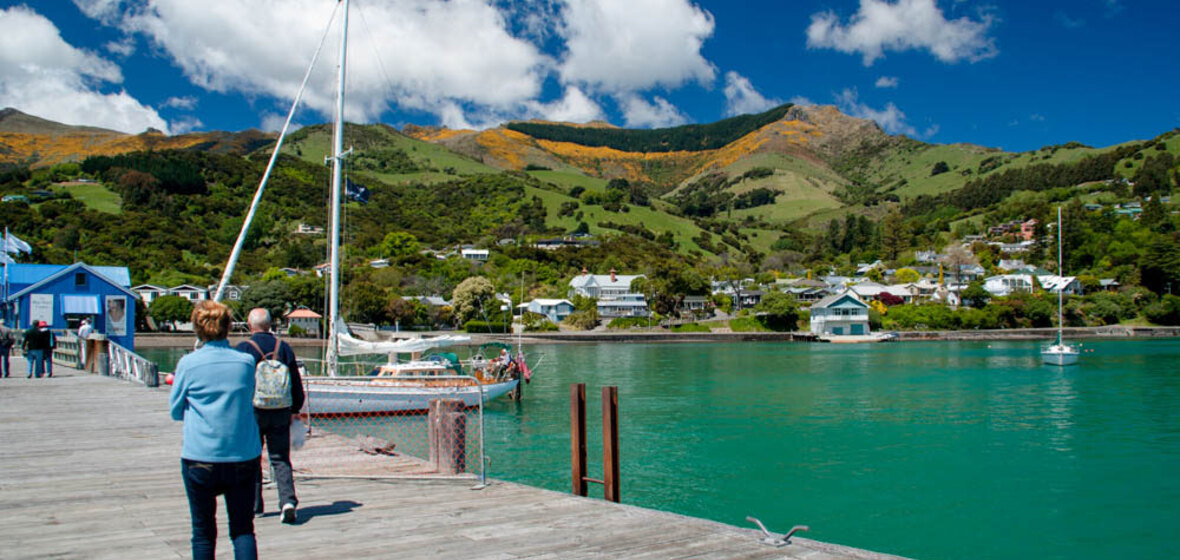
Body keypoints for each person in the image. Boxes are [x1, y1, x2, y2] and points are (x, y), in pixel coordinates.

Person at [169, 301, 261, 560]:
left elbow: (175, 410)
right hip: (242, 455)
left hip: (200, 457)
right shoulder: (245, 362)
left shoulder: (188, 364)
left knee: (203, 532)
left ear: (197, 328)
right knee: (243, 529)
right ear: (229, 326)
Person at [236, 308, 304, 524]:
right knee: (280, 458)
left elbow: (239, 382)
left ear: (250, 325)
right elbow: (295, 380)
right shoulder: (283, 348)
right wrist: (295, 408)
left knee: (252, 458)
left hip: (253, 411)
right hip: (281, 410)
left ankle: (255, 506)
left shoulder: (245, 348)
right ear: (270, 324)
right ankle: (288, 501)